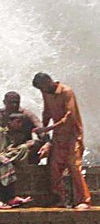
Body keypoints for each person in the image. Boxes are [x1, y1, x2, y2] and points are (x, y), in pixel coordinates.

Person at [32, 72, 91, 209]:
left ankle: (84, 200)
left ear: (48, 81)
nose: (42, 91)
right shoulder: (46, 92)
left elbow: (69, 116)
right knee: (54, 166)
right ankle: (60, 199)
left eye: (42, 88)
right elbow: (47, 112)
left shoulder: (66, 91)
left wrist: (48, 128)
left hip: (73, 135)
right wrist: (44, 133)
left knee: (73, 165)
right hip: (58, 135)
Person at [0, 91, 48, 165]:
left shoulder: (26, 115)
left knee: (36, 144)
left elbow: (40, 128)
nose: (14, 105)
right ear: (4, 102)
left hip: (23, 149)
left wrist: (47, 143)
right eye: (11, 102)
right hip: (3, 151)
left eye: (16, 102)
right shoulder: (1, 115)